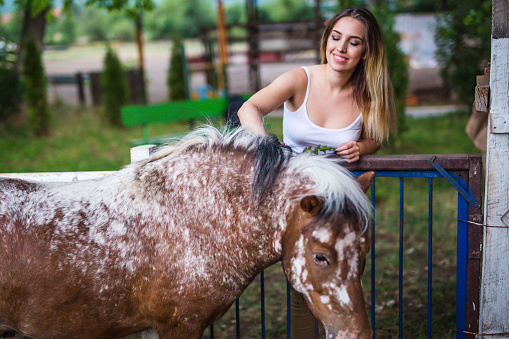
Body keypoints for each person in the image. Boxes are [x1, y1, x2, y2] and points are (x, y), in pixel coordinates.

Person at [238, 7, 396, 338]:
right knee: (304, 288)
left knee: (344, 281)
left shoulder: (369, 93)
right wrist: (264, 142)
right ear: (327, 39)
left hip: (339, 201)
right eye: (336, 38)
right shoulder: (300, 79)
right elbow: (248, 108)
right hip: (302, 200)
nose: (341, 48)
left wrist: (363, 147)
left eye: (354, 42)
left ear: (366, 51)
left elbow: (376, 138)